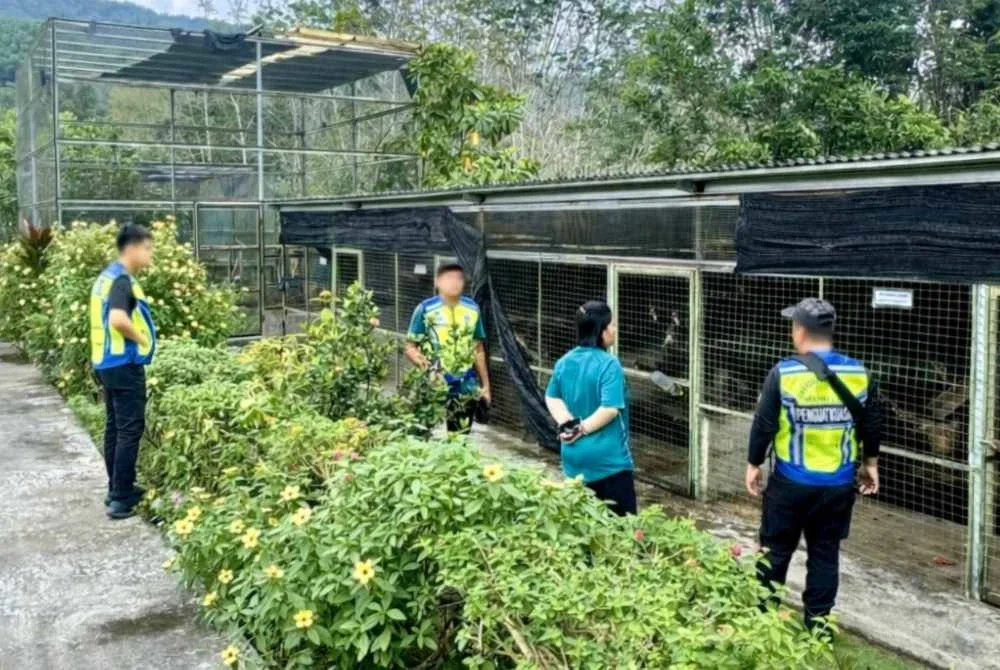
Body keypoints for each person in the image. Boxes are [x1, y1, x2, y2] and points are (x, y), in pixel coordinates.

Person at [746, 297, 881, 632]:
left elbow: (764, 425)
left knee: (775, 551)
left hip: (790, 484)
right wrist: (870, 464)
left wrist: (753, 464)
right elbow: (871, 424)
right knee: (824, 554)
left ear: (799, 330)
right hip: (837, 486)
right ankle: (818, 628)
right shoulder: (859, 373)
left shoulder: (784, 373)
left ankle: (762, 622)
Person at [89, 224, 157, 520]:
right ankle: (121, 498)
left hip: (106, 363)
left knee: (115, 427)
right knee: (129, 430)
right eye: (147, 249)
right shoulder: (121, 281)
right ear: (132, 249)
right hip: (124, 364)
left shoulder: (106, 277)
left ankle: (117, 487)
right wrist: (141, 339)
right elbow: (118, 319)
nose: (150, 255)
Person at [545, 300, 636, 516]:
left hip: (573, 457)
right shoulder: (609, 364)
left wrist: (567, 423)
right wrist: (581, 428)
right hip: (608, 462)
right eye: (612, 324)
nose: (615, 329)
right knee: (623, 527)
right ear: (601, 331)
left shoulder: (564, 361)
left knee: (583, 523)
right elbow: (610, 409)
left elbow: (552, 396)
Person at [404, 263, 491, 434]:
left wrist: (486, 386)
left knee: (460, 436)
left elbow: (478, 349)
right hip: (434, 382)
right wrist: (426, 365)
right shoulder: (425, 309)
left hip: (465, 384)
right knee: (423, 435)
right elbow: (410, 347)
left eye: (459, 278)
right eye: (449, 278)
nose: (454, 282)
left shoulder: (472, 308)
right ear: (437, 282)